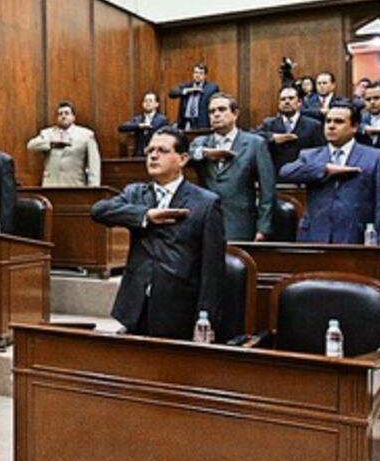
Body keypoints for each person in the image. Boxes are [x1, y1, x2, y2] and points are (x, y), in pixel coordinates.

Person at [91, 128, 226, 341]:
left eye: (162, 150)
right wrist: (145, 214)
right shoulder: (135, 193)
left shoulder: (206, 202)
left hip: (178, 307)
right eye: (150, 150)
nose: (153, 156)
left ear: (182, 159)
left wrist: (205, 314)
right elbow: (99, 211)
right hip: (135, 305)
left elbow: (212, 267)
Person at [280, 103, 380, 244]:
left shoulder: (376, 157)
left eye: (339, 121)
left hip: (356, 237)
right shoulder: (310, 156)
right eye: (328, 121)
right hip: (314, 237)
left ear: (354, 127)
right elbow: (285, 172)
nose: (331, 126)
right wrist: (325, 169)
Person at [189, 94, 276, 241]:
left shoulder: (255, 143)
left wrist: (263, 228)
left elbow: (267, 190)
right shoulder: (201, 142)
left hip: (240, 221)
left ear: (235, 114)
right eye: (212, 111)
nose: (216, 114)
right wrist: (207, 153)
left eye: (222, 109)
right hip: (206, 221)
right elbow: (188, 155)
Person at [255, 85, 326, 178]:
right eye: (283, 99)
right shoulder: (269, 124)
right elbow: (253, 136)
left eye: (291, 98)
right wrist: (272, 137)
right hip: (276, 180)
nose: (287, 102)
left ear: (299, 102)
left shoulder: (314, 125)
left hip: (304, 181)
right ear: (279, 103)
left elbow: (320, 153)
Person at [25, 101, 101, 186]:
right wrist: (51, 144)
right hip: (51, 184)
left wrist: (94, 188)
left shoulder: (86, 135)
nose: (63, 116)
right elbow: (31, 145)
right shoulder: (48, 133)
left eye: (67, 113)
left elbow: (94, 164)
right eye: (60, 114)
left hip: (75, 185)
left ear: (73, 117)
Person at [168, 63, 219, 130]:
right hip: (186, 123)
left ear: (205, 75)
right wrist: (188, 91)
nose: (197, 75)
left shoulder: (211, 88)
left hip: (202, 123)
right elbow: (171, 93)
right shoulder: (186, 86)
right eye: (196, 72)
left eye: (201, 73)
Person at [118, 91, 168, 157]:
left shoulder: (162, 119)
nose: (147, 103)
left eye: (150, 101)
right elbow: (121, 127)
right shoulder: (137, 119)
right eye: (145, 101)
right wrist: (139, 126)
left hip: (156, 154)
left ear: (157, 104)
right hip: (139, 154)